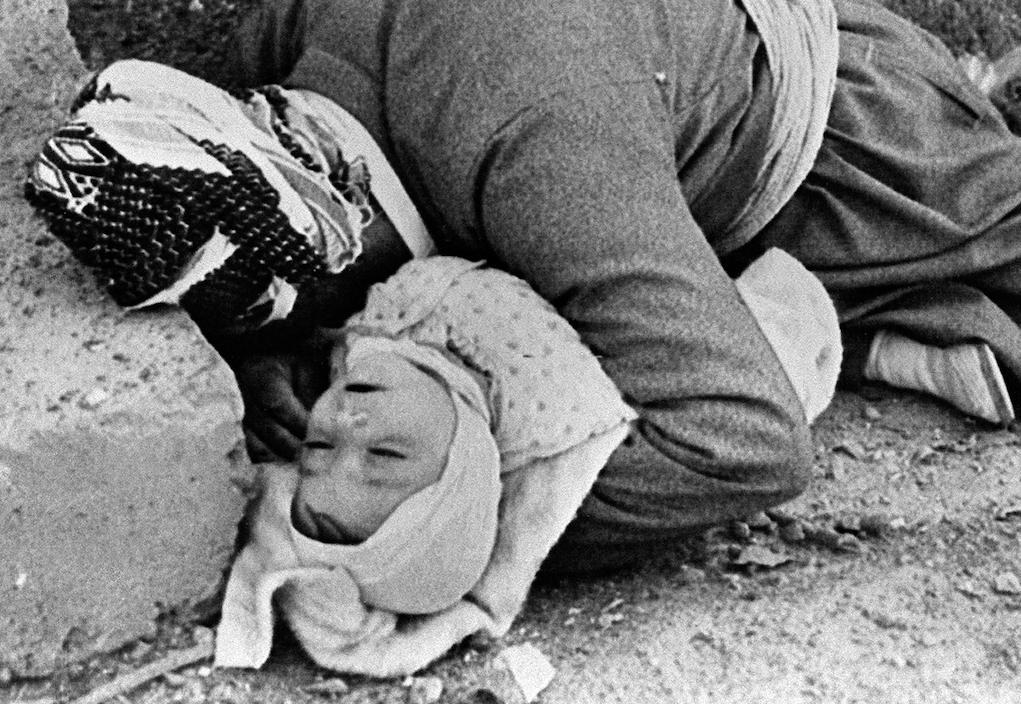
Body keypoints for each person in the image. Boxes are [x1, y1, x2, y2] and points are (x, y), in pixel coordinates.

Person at [26, 0, 1021, 578]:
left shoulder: (537, 157)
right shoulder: (293, 31)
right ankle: (871, 328)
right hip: (645, 97)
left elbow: (741, 443)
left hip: (857, 140)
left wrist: (443, 521)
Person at [212, 248, 836, 675]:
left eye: (316, 450)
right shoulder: (544, 400)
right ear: (469, 466)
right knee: (756, 337)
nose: (344, 424)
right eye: (384, 454)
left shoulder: (367, 372)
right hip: (684, 309)